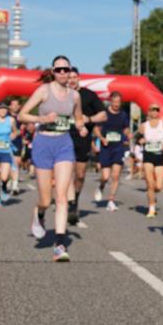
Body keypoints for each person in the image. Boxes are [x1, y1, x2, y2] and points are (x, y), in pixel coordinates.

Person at [18, 55, 90, 262]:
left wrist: (82, 127)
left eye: (65, 70)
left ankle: (60, 244)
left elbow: (77, 118)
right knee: (45, 199)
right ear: (52, 72)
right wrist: (42, 118)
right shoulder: (44, 90)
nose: (62, 73)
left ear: (70, 72)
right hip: (43, 144)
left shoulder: (75, 96)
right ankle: (39, 213)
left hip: (64, 145)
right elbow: (22, 115)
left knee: (61, 197)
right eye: (58, 70)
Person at [65, 68, 107, 226]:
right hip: (64, 138)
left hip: (83, 140)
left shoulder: (89, 95)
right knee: (67, 173)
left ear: (79, 78)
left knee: (80, 175)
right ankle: (68, 203)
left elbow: (103, 115)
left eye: (74, 77)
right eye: (69, 77)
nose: (71, 80)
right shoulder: (61, 94)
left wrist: (88, 119)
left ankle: (74, 200)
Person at [93, 91, 131, 212]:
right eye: (114, 102)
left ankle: (111, 200)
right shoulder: (104, 114)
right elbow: (96, 129)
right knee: (105, 176)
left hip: (118, 148)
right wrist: (102, 138)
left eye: (118, 102)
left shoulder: (123, 114)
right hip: (106, 148)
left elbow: (126, 129)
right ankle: (101, 186)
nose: (116, 104)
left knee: (115, 176)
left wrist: (127, 136)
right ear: (110, 101)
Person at [138, 102, 163, 218]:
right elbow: (138, 139)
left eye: (157, 110)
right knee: (150, 183)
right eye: (152, 110)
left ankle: (153, 196)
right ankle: (151, 208)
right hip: (148, 156)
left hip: (159, 157)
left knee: (159, 186)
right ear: (148, 112)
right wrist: (140, 141)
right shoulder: (144, 126)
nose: (154, 112)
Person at [8, 98, 24, 196]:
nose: (14, 106)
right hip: (7, 142)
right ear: (10, 106)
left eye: (16, 104)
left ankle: (15, 185)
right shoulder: (6, 116)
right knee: (9, 164)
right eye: (13, 104)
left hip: (17, 142)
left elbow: (25, 127)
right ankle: (10, 180)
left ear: (19, 106)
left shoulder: (21, 116)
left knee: (16, 163)